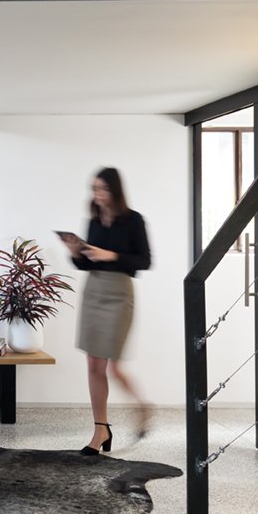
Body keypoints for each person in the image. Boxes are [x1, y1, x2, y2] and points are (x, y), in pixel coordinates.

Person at [61, 168, 151, 455]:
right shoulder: (94, 221)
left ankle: (142, 407)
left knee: (114, 366)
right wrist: (76, 253)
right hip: (94, 291)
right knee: (93, 364)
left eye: (102, 189)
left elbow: (144, 260)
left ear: (115, 190)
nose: (96, 194)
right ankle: (100, 429)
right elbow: (87, 263)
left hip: (118, 293)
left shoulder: (133, 220)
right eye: (94, 188)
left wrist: (110, 255)